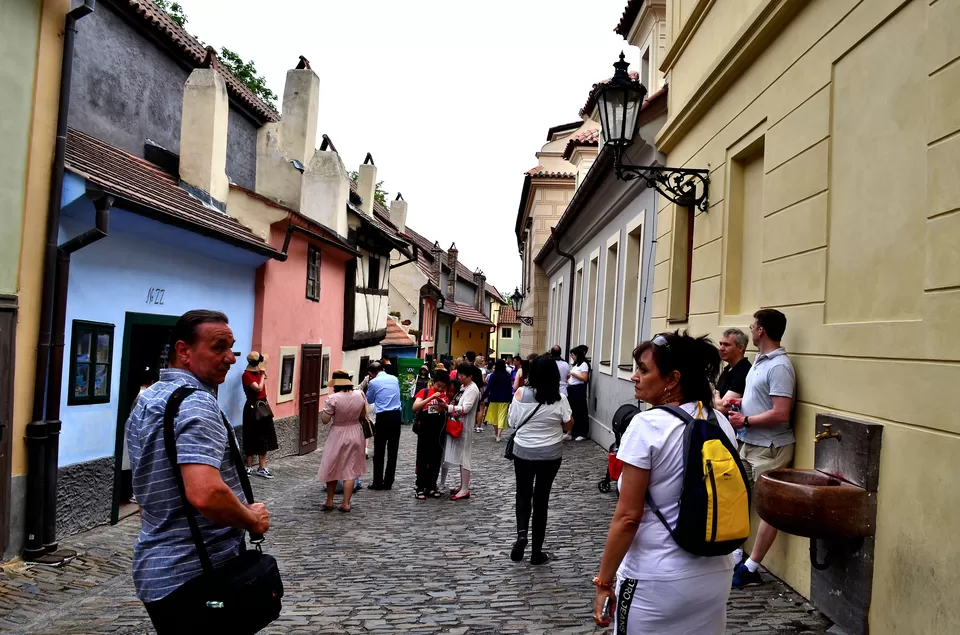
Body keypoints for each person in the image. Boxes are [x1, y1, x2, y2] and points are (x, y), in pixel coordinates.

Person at [126, 310, 270, 631]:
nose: (230, 358)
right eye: (219, 347)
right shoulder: (196, 404)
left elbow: (148, 489)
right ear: (183, 351)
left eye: (231, 347)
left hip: (158, 570)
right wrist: (251, 519)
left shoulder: (148, 400)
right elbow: (205, 493)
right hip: (197, 573)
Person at [592, 331, 735, 634]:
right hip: (715, 574)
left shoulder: (647, 425)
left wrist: (604, 582)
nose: (635, 377)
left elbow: (628, 517)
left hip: (655, 579)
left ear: (672, 378)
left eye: (644, 370)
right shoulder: (718, 422)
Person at [728, 309, 796, 587]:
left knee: (770, 509)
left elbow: (781, 412)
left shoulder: (779, 366)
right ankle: (735, 555)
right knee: (737, 497)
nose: (751, 329)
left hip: (770, 448)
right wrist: (741, 406)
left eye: (753, 326)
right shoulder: (759, 361)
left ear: (761, 331)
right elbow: (762, 401)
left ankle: (751, 567)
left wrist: (745, 420)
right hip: (749, 444)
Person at [508, 354, 573, 565]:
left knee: (523, 494)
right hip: (550, 454)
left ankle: (521, 534)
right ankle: (536, 552)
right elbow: (568, 425)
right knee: (541, 499)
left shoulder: (520, 394)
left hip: (524, 451)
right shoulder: (560, 399)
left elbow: (512, 422)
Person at [317, 370, 368, 513]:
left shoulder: (333, 398)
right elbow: (363, 415)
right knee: (350, 468)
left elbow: (325, 420)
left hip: (338, 433)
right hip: (355, 432)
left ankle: (330, 501)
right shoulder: (359, 395)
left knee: (332, 465)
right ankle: (346, 503)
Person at [443, 363, 481, 501]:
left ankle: (465, 489)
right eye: (459, 374)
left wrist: (447, 407)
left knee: (465, 457)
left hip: (465, 427)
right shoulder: (464, 387)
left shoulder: (473, 390)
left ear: (470, 376)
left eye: (463, 375)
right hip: (459, 426)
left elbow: (465, 408)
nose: (460, 377)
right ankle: (462, 486)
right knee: (461, 457)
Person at [365, 362, 403, 490]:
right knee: (393, 450)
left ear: (371, 373)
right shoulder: (394, 379)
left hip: (383, 417)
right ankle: (388, 482)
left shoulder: (373, 382)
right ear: (383, 369)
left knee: (379, 450)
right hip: (396, 416)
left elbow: (369, 400)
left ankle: (377, 482)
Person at [413, 371, 451, 499]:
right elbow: (415, 407)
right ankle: (420, 487)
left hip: (438, 432)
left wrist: (442, 407)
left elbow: (445, 411)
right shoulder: (424, 392)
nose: (440, 389)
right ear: (433, 383)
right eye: (438, 385)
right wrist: (431, 397)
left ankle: (431, 486)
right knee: (422, 459)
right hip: (424, 431)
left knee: (435, 459)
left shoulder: (445, 396)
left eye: (443, 387)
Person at [242, 351, 278, 478]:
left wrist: (261, 374)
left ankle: (262, 467)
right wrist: (262, 375)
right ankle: (249, 466)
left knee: (264, 436)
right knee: (250, 435)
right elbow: (258, 388)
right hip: (252, 407)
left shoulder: (257, 373)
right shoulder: (247, 375)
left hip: (262, 406)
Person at [713, 328, 751, 415]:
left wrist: (715, 397)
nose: (721, 348)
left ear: (740, 348)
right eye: (721, 344)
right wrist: (717, 399)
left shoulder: (744, 371)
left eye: (726, 345)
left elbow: (722, 408)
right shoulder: (728, 369)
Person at [482, 359, 514, 442]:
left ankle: (496, 434)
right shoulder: (507, 376)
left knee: (495, 418)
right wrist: (511, 399)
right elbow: (509, 388)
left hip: (494, 399)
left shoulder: (493, 376)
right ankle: (499, 435)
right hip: (504, 399)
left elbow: (488, 388)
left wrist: (483, 397)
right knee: (502, 417)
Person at [567, 345, 591, 442]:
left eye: (573, 355)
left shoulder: (584, 365)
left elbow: (585, 378)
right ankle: (570, 432)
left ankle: (582, 433)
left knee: (580, 411)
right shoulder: (576, 365)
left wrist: (573, 374)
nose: (572, 357)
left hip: (579, 389)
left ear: (578, 355)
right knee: (572, 411)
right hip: (572, 389)